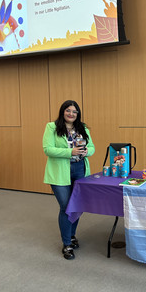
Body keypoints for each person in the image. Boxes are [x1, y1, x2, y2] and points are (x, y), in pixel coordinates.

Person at [43, 100, 95, 260]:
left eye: (74, 111)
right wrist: (70, 151)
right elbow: (48, 149)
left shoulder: (83, 127)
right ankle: (66, 244)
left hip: (80, 170)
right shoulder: (52, 127)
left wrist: (86, 151)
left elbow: (92, 148)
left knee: (76, 205)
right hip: (60, 172)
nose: (71, 114)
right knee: (66, 207)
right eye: (68, 111)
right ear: (63, 111)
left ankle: (72, 236)